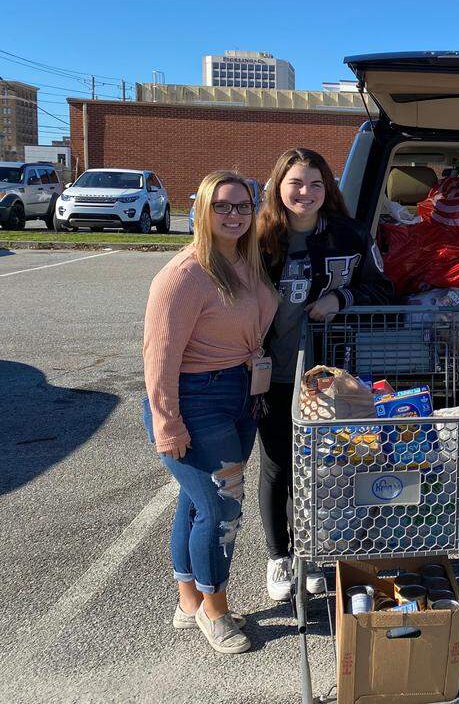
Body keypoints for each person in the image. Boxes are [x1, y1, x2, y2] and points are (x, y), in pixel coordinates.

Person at [142, 171, 278, 654]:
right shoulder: (184, 274)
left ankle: (188, 601)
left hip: (240, 394)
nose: (235, 215)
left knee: (197, 503)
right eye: (223, 206)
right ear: (202, 209)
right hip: (195, 400)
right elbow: (158, 359)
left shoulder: (248, 260)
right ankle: (214, 612)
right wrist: (167, 423)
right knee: (223, 507)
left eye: (244, 205)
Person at [257, 148, 393, 601]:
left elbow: (384, 286)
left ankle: (314, 553)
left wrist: (341, 300)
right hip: (273, 371)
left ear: (328, 188)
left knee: (327, 465)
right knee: (279, 461)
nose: (306, 193)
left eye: (316, 184)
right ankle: (280, 556)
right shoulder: (259, 237)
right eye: (296, 182)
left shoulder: (350, 235)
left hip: (334, 375)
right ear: (278, 185)